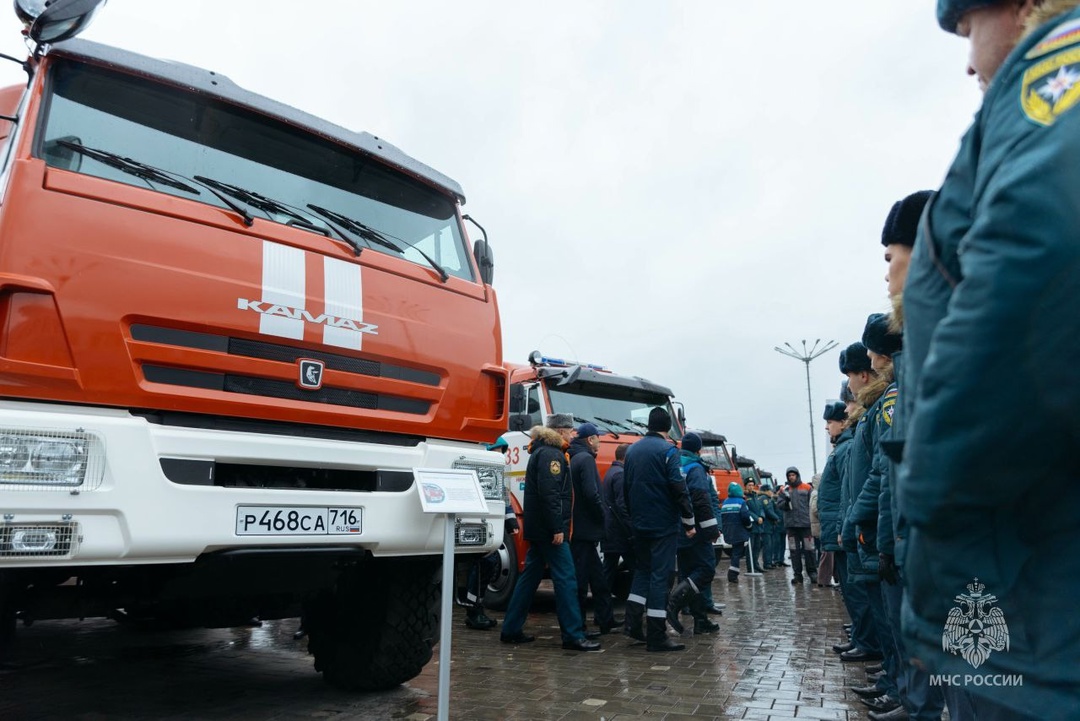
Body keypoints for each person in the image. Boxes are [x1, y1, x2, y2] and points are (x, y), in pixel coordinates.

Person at [899, 2, 1080, 716]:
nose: (969, 60)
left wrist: (932, 496)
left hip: (1029, 584)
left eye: (968, 28)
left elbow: (1046, 255)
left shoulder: (1055, 75)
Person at [499, 414, 600, 651]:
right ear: (560, 431)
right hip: (550, 530)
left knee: (529, 578)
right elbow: (550, 495)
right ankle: (573, 635)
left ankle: (511, 629)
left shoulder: (543, 451)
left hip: (539, 528)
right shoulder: (552, 454)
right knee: (566, 579)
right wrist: (557, 528)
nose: (572, 434)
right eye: (569, 430)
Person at [623, 407, 696, 652]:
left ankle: (632, 624)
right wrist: (688, 521)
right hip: (662, 524)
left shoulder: (632, 451)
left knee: (642, 572)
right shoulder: (668, 451)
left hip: (639, 523)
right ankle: (656, 635)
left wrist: (633, 518)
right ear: (667, 428)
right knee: (659, 576)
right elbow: (678, 488)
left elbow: (626, 488)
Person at [458, 436, 521, 630]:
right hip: (474, 525)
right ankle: (473, 609)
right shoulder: (477, 470)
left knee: (487, 564)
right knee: (482, 564)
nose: (501, 456)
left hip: (489, 526)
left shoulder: (496, 474)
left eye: (502, 452)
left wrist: (511, 522)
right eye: (498, 451)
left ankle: (476, 607)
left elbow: (504, 499)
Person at [667, 431, 721, 635]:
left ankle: (701, 620)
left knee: (689, 573)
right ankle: (674, 603)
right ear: (698, 450)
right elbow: (700, 500)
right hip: (695, 530)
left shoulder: (674, 464)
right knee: (706, 570)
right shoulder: (695, 468)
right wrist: (711, 530)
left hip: (678, 529)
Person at [568, 422, 618, 634]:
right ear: (590, 439)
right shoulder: (586, 459)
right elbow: (591, 493)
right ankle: (579, 625)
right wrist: (602, 515)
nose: (600, 441)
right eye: (598, 437)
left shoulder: (575, 458)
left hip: (581, 530)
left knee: (598, 579)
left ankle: (605, 620)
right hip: (584, 531)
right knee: (581, 581)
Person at [600, 442, 634, 609]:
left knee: (608, 571)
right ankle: (636, 607)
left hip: (610, 531)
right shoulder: (620, 475)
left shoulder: (611, 472)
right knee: (637, 569)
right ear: (626, 457)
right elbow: (623, 506)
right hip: (620, 533)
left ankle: (603, 612)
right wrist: (632, 530)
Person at [775, 467, 815, 584]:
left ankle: (812, 572)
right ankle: (797, 575)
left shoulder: (807, 488)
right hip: (791, 526)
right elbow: (779, 504)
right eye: (789, 475)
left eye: (793, 475)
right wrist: (786, 502)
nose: (791, 477)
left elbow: (813, 504)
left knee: (809, 550)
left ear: (797, 475)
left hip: (806, 525)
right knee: (794, 551)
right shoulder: (784, 490)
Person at [719, 482, 752, 583]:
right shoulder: (741, 502)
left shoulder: (725, 502)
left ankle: (733, 572)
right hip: (739, 531)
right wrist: (749, 526)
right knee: (737, 553)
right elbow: (745, 517)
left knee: (734, 553)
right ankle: (732, 574)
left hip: (728, 531)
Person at [743, 480, 767, 574]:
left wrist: (761, 516)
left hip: (758, 526)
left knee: (757, 547)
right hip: (751, 526)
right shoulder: (745, 497)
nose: (751, 487)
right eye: (749, 485)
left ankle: (756, 565)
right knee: (750, 548)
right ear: (745, 486)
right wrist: (756, 518)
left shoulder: (756, 496)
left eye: (753, 485)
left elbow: (761, 508)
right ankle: (750, 567)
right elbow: (747, 511)